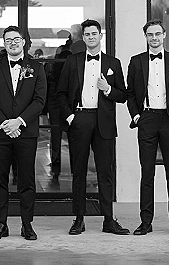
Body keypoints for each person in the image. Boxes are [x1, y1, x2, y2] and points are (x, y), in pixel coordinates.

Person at [57, 19, 129, 236]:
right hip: (80, 119)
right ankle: (78, 219)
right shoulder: (72, 61)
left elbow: (123, 95)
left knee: (105, 172)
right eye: (86, 34)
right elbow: (60, 93)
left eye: (94, 34)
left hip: (104, 122)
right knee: (78, 172)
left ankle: (108, 219)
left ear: (100, 36)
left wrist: (108, 90)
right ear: (83, 37)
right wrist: (70, 117)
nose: (90, 37)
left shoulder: (113, 63)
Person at [0, 25, 47, 242]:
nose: (12, 43)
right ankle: (0, 224)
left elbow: (40, 101)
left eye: (16, 39)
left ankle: (27, 224)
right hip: (0, 133)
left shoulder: (36, 68)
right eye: (8, 39)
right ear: (4, 43)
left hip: (26, 132)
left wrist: (18, 122)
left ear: (24, 42)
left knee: (27, 180)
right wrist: (4, 123)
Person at [126, 20, 169, 236]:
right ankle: (146, 221)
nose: (154, 38)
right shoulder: (136, 62)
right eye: (150, 34)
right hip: (147, 119)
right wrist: (136, 116)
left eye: (157, 34)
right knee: (147, 173)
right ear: (145, 37)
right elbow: (131, 93)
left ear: (164, 35)